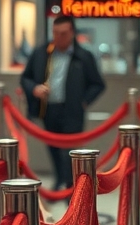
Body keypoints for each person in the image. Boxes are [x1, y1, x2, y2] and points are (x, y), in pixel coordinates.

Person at [20, 15, 106, 190]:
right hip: (49, 109)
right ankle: (60, 179)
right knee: (52, 147)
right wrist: (35, 88)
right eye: (55, 33)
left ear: (72, 33)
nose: (59, 37)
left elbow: (98, 84)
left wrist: (84, 101)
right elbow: (25, 78)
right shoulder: (41, 53)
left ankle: (69, 186)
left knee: (69, 152)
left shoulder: (83, 56)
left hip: (72, 111)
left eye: (63, 33)